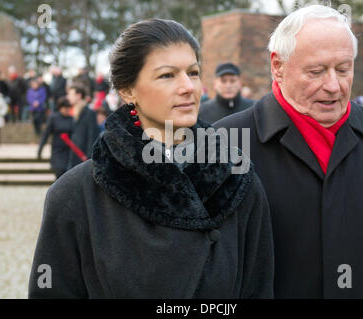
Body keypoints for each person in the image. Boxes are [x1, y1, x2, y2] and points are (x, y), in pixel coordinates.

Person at [29, 18, 274, 299]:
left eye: (193, 73)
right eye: (167, 75)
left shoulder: (238, 180)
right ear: (127, 90)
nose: (188, 87)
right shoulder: (75, 195)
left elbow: (259, 288)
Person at [215, 5, 363, 298]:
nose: (333, 86)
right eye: (316, 71)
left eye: (343, 69)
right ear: (278, 66)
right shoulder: (227, 143)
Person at [37, 97, 74, 179]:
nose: (67, 110)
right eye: (65, 108)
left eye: (68, 108)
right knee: (59, 171)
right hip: (57, 150)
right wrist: (40, 149)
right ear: (60, 108)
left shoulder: (72, 119)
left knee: (67, 172)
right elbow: (46, 134)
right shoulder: (54, 118)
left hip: (68, 150)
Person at [65, 83, 100, 169]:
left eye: (70, 94)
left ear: (79, 95)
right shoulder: (72, 112)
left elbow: (92, 136)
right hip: (72, 157)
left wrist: (88, 158)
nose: (68, 97)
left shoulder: (89, 113)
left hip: (83, 159)